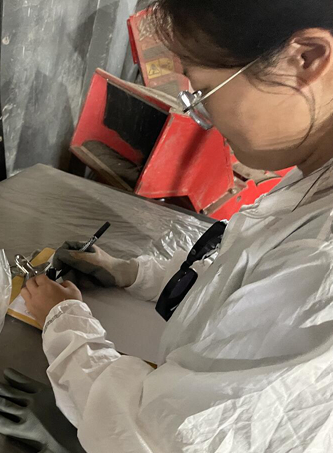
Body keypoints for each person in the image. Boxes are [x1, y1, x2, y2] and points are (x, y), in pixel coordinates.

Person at [21, 1, 333, 451]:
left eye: (203, 91)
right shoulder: (314, 182)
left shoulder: (321, 264)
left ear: (305, 58)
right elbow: (240, 280)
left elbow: (157, 432)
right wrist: (133, 273)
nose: (202, 118)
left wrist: (63, 322)